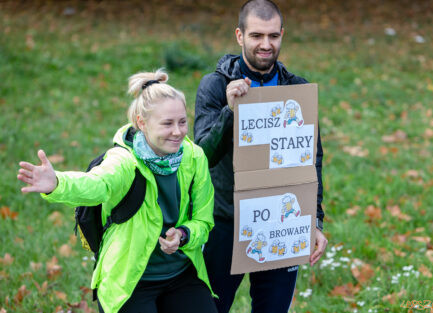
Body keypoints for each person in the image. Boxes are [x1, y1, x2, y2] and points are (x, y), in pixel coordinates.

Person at [18, 69, 218, 313]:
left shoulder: (194, 157)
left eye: (182, 121)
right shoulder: (124, 159)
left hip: (181, 273)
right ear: (142, 123)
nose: (178, 131)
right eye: (167, 123)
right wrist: (57, 183)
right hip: (129, 279)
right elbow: (98, 185)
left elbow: (204, 221)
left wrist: (185, 234)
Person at [193, 1, 328, 312]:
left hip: (280, 221)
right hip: (225, 220)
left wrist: (314, 220)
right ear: (240, 36)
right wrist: (229, 111)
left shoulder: (297, 90)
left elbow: (312, 161)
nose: (265, 45)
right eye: (256, 36)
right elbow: (203, 156)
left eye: (272, 36)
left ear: (282, 35)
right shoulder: (215, 86)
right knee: (211, 308)